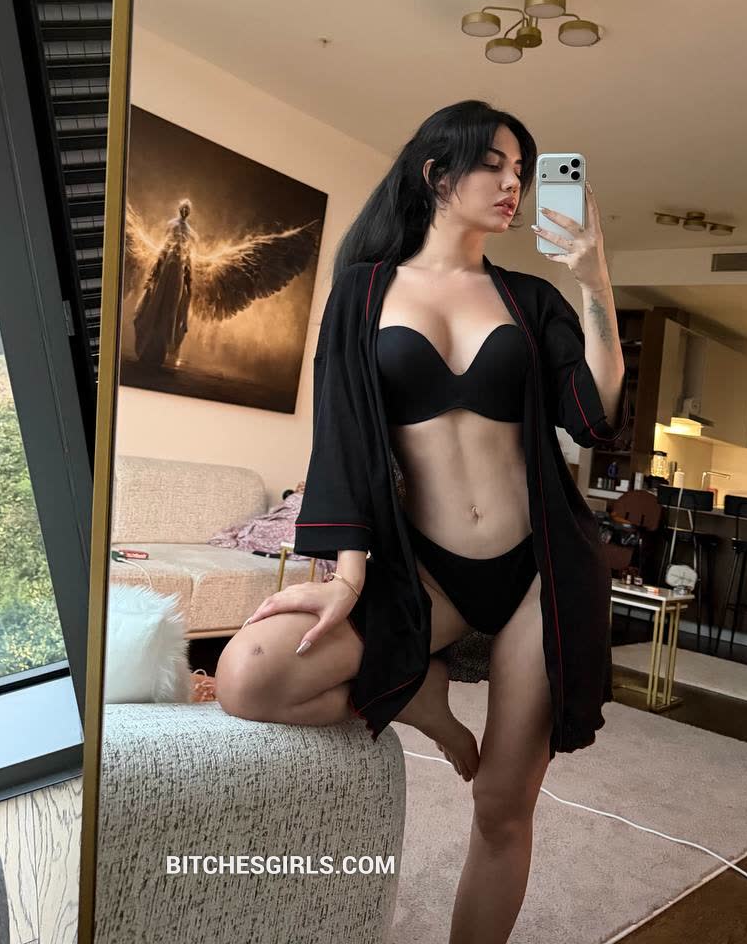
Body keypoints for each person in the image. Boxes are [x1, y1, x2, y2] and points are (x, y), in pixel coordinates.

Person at [215, 99, 626, 942]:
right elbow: (340, 435)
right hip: (425, 570)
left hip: (537, 569)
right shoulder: (363, 291)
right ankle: (422, 700)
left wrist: (595, 281)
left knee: (501, 806)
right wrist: (347, 574)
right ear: (438, 174)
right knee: (249, 675)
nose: (513, 184)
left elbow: (592, 414)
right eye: (495, 165)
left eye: (522, 170)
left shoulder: (531, 299)